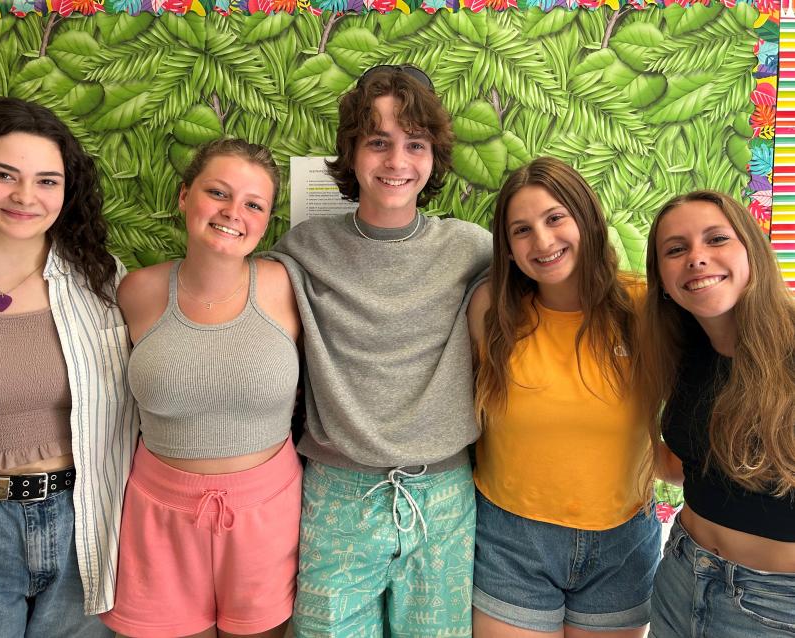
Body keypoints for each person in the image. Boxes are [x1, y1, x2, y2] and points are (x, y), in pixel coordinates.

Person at [269, 65, 491, 636]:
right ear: (351, 153)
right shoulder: (302, 250)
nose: (397, 162)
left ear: (433, 157)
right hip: (336, 492)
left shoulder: (473, 251)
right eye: (378, 142)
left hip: (443, 492)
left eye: (414, 144)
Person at [0, 97, 138, 637]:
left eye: (47, 181)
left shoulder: (100, 279)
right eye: (4, 175)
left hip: (84, 521)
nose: (26, 197)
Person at [99, 139, 301, 638]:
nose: (234, 213)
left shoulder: (285, 285)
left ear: (267, 219)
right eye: (218, 192)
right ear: (184, 195)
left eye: (254, 204)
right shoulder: (136, 291)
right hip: (157, 516)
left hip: (268, 514)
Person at [468, 157, 660, 638]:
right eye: (522, 230)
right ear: (508, 250)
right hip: (511, 538)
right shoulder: (491, 310)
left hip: (622, 541)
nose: (544, 241)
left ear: (587, 219)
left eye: (555, 218)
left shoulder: (643, 307)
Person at [640, 190, 795, 638]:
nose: (697, 258)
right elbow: (690, 467)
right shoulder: (685, 352)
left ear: (752, 251)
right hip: (681, 575)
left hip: (775, 604)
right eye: (676, 249)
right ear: (664, 281)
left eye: (716, 239)